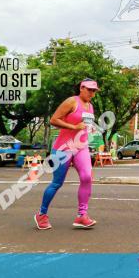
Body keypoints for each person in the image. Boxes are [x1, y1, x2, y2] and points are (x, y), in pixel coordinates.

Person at [35, 78, 99, 230]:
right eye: (89, 89)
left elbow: (85, 125)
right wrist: (74, 126)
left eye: (94, 91)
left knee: (87, 177)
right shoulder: (71, 101)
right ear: (81, 88)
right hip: (63, 148)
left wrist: (91, 128)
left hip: (81, 147)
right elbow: (54, 120)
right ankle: (41, 214)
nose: (92, 93)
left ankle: (82, 216)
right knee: (57, 183)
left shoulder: (90, 107)